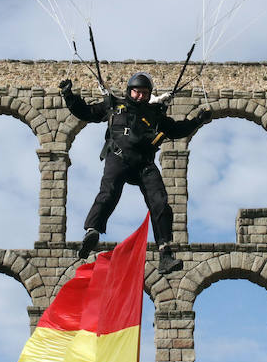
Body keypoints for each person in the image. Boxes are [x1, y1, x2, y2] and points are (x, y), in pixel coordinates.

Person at [60, 71, 211, 274]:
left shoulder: (155, 114)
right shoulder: (114, 106)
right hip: (119, 157)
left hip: (144, 164)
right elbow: (86, 112)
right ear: (129, 91)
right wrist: (70, 96)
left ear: (149, 95)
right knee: (109, 192)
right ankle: (92, 231)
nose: (140, 96)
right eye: (137, 92)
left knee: (160, 201)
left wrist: (198, 120)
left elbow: (177, 130)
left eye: (145, 93)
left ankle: (165, 252)